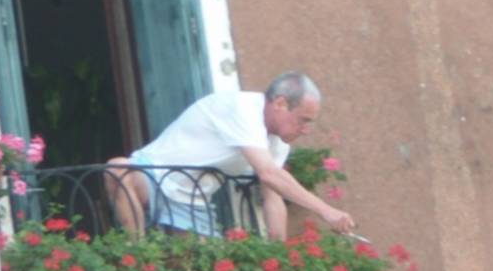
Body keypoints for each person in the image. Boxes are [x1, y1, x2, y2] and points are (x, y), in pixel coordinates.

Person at [104, 71, 355, 240]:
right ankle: (137, 257)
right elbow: (268, 174)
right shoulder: (243, 109)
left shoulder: (278, 143)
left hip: (192, 202)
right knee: (118, 169)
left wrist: (278, 260)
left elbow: (273, 198)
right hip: (155, 177)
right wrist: (326, 210)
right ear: (280, 104)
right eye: (303, 120)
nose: (306, 129)